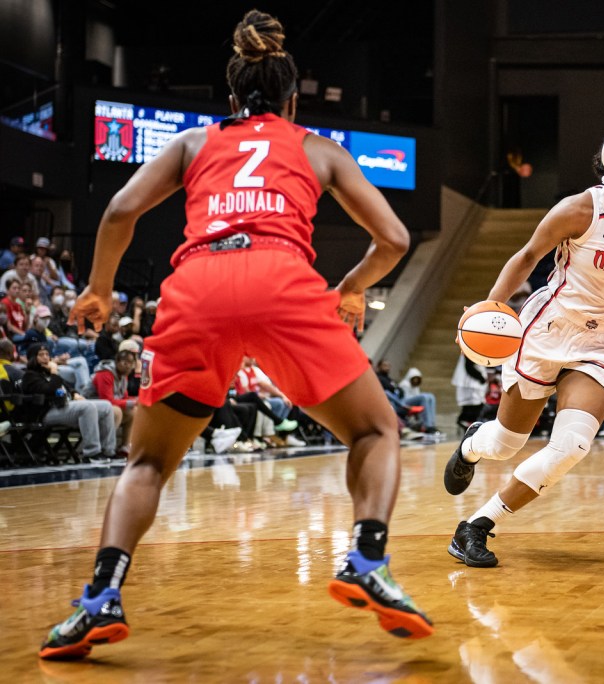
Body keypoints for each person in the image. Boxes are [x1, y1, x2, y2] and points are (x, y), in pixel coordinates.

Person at [39, 10, 432, 661]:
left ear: (230, 97)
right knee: (374, 430)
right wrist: (352, 288)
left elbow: (119, 210)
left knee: (147, 463)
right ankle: (366, 557)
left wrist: (101, 288)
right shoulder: (318, 147)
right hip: (282, 280)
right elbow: (394, 238)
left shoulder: (193, 143)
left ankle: (99, 600)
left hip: (198, 286)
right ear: (292, 97)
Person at [441, 128, 604, 568]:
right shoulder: (578, 210)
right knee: (507, 443)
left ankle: (476, 525)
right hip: (549, 329)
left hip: (602, 341)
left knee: (572, 446)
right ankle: (473, 445)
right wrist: (490, 306)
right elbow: (528, 256)